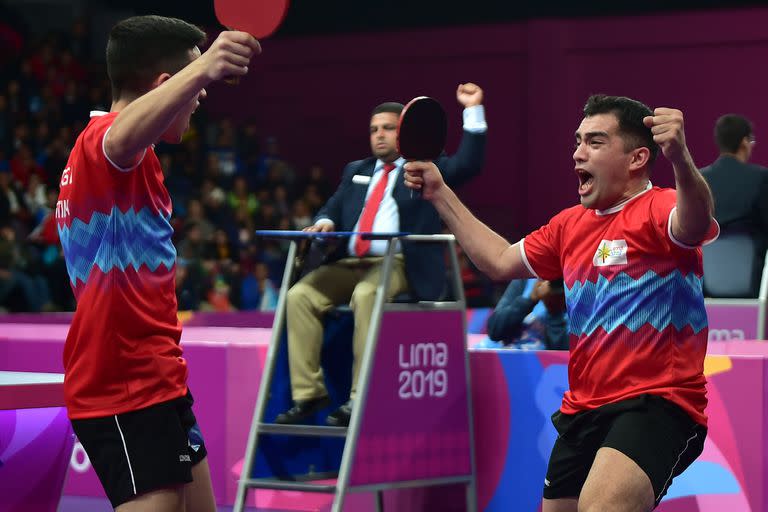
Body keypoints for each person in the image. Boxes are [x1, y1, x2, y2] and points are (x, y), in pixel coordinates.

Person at [404, 95, 718, 512]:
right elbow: (499, 261)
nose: (577, 153)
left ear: (638, 158)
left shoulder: (659, 209)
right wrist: (441, 193)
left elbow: (695, 220)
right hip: (584, 407)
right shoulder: (568, 225)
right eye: (577, 141)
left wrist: (679, 157)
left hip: (657, 402)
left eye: (595, 142)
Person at [55, 16, 260, 512]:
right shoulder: (100, 145)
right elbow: (118, 137)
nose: (203, 95)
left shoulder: (139, 160)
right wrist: (207, 64)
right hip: (124, 392)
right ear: (168, 85)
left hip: (162, 384)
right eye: (196, 83)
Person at [275, 83, 487, 427]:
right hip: (349, 262)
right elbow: (331, 206)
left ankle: (360, 397)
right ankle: (309, 394)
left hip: (399, 263)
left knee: (367, 294)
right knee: (300, 295)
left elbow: (469, 164)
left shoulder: (423, 168)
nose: (380, 135)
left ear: (404, 131)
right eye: (374, 129)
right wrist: (325, 221)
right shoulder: (355, 170)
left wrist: (473, 110)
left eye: (388, 128)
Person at [700, 114, 768, 296]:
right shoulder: (761, 178)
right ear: (745, 142)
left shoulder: (699, 179)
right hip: (753, 281)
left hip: (703, 282)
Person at [485, 278, 568, 350]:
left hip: (543, 363)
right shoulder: (525, 278)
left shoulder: (576, 288)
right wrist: (530, 300)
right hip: (502, 356)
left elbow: (563, 356)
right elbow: (494, 331)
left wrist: (554, 312)